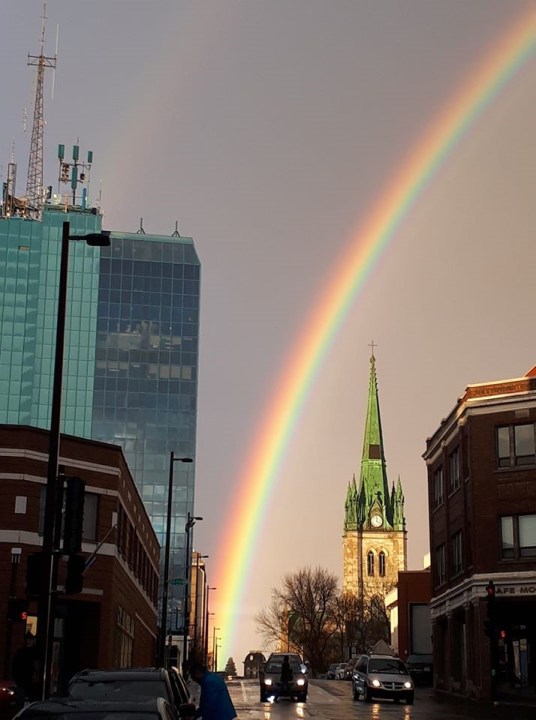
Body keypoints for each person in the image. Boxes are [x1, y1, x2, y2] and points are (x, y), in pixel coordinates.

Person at [11, 633, 38, 701]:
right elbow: (15, 666)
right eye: (27, 640)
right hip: (22, 680)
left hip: (28, 680)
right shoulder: (21, 652)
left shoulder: (35, 652)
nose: (28, 641)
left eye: (30, 640)